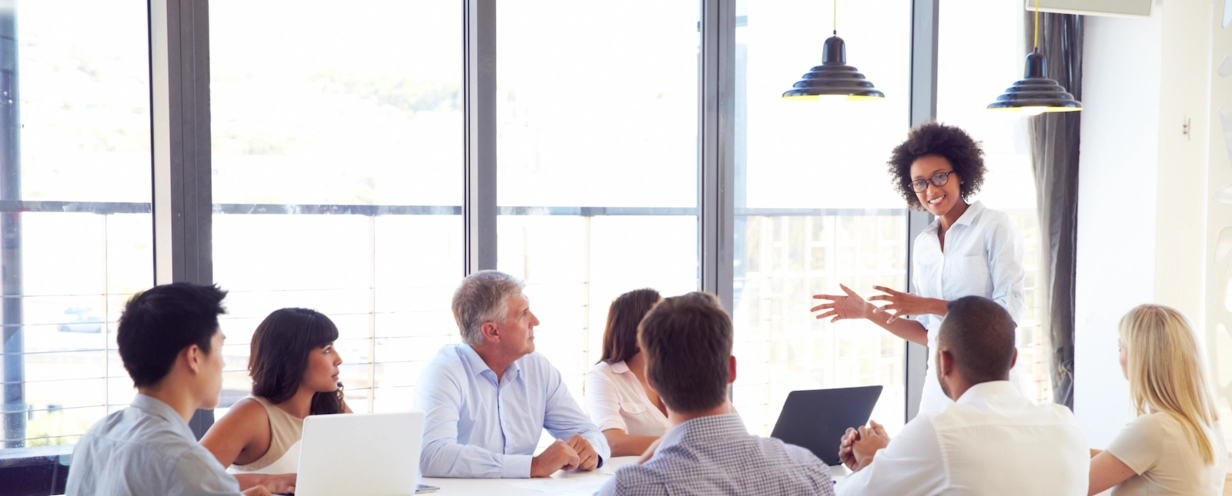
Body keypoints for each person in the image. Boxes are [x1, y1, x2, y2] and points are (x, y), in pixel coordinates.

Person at [811, 122, 1026, 416]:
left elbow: (1006, 317)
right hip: (939, 382)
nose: (931, 190)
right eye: (920, 182)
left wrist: (926, 304)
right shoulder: (923, 244)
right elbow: (928, 333)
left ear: (961, 174)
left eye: (939, 177)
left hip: (990, 383)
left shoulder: (993, 226)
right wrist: (867, 311)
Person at [836, 296, 1087, 495]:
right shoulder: (1066, 424)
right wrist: (891, 461)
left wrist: (872, 461)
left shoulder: (938, 432)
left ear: (944, 361)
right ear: (1013, 359)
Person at [598, 294, 835, 496]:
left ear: (651, 380)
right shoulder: (810, 470)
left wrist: (643, 462)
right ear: (731, 370)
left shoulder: (632, 487)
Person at [65, 283, 271, 496]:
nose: (223, 363)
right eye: (220, 348)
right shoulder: (187, 464)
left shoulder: (95, 437)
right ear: (194, 357)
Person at [415, 270, 610, 478]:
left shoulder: (537, 367)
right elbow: (432, 455)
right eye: (523, 313)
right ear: (492, 331)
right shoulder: (444, 372)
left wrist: (592, 452)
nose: (535, 321)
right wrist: (532, 466)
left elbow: (589, 433)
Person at [200, 308, 352, 494]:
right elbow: (183, 480)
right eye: (327, 350)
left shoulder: (334, 407)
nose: (338, 359)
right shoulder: (251, 414)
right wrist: (266, 481)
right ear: (293, 358)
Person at [1087, 305, 1227, 495]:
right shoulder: (1210, 426)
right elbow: (1128, 458)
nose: (1119, 357)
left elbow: (1072, 487)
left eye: (1121, 347)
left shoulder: (1154, 429)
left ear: (1140, 357)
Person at [585, 288, 671, 457]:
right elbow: (613, 443)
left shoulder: (679, 373)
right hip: (634, 478)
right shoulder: (602, 377)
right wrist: (684, 444)